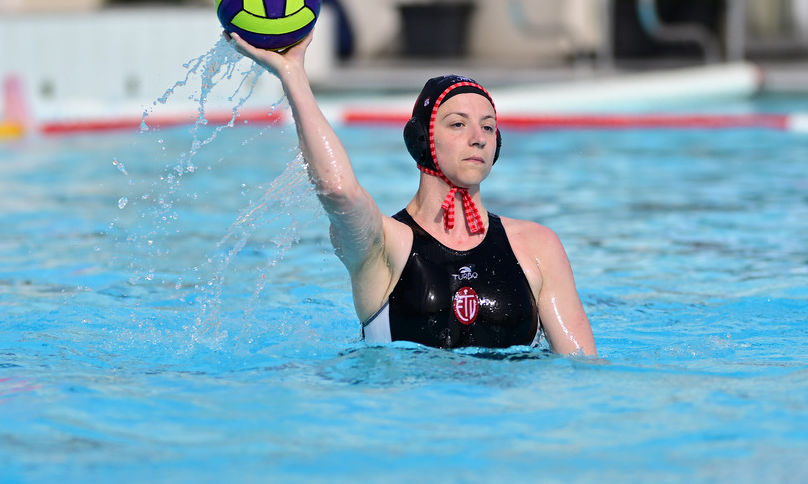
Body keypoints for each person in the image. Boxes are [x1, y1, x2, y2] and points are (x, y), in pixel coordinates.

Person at [227, 29, 596, 356]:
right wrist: (293, 76)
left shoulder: (537, 247)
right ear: (421, 139)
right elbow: (339, 191)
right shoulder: (384, 247)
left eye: (488, 126)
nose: (478, 137)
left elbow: (582, 370)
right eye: (458, 124)